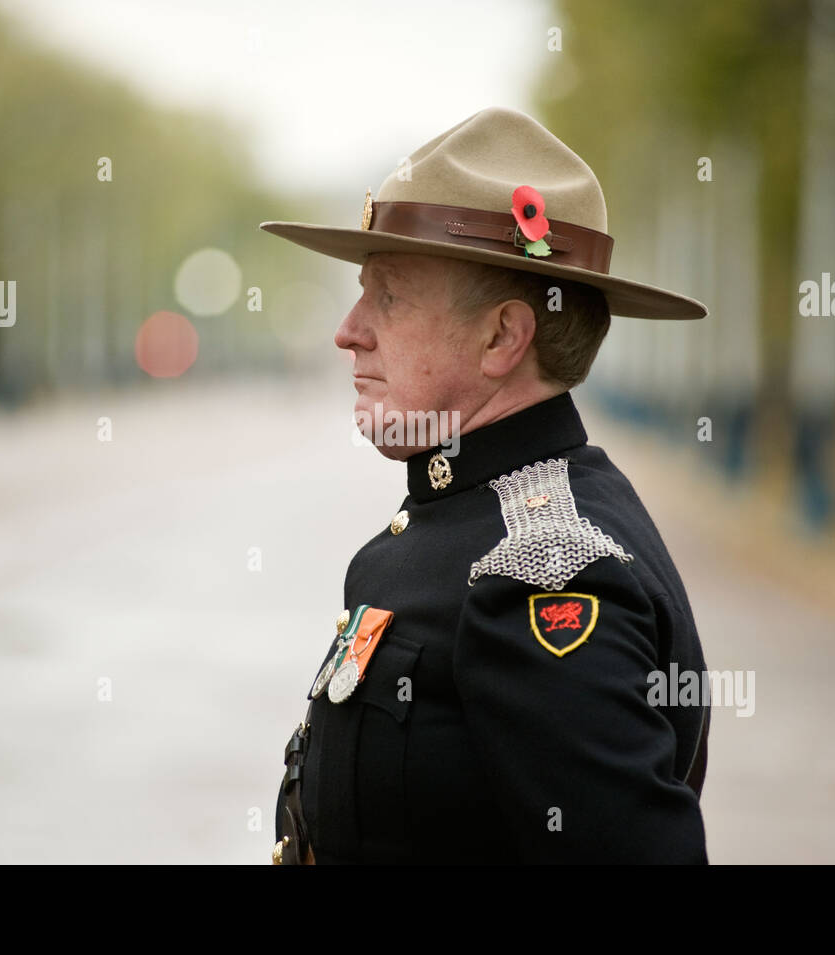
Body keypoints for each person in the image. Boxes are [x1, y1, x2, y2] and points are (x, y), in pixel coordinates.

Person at [262, 106, 710, 864]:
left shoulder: (544, 570)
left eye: (389, 295)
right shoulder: (469, 518)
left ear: (504, 336)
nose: (348, 328)